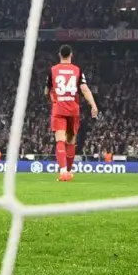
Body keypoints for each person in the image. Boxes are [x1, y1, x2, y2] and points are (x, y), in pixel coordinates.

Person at [47, 45, 99, 182]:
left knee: (60, 140)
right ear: (71, 55)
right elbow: (85, 89)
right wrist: (93, 105)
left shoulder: (53, 70)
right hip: (72, 109)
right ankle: (69, 171)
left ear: (59, 55)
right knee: (70, 142)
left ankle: (63, 171)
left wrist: (52, 98)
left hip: (58, 109)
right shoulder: (77, 70)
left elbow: (47, 90)